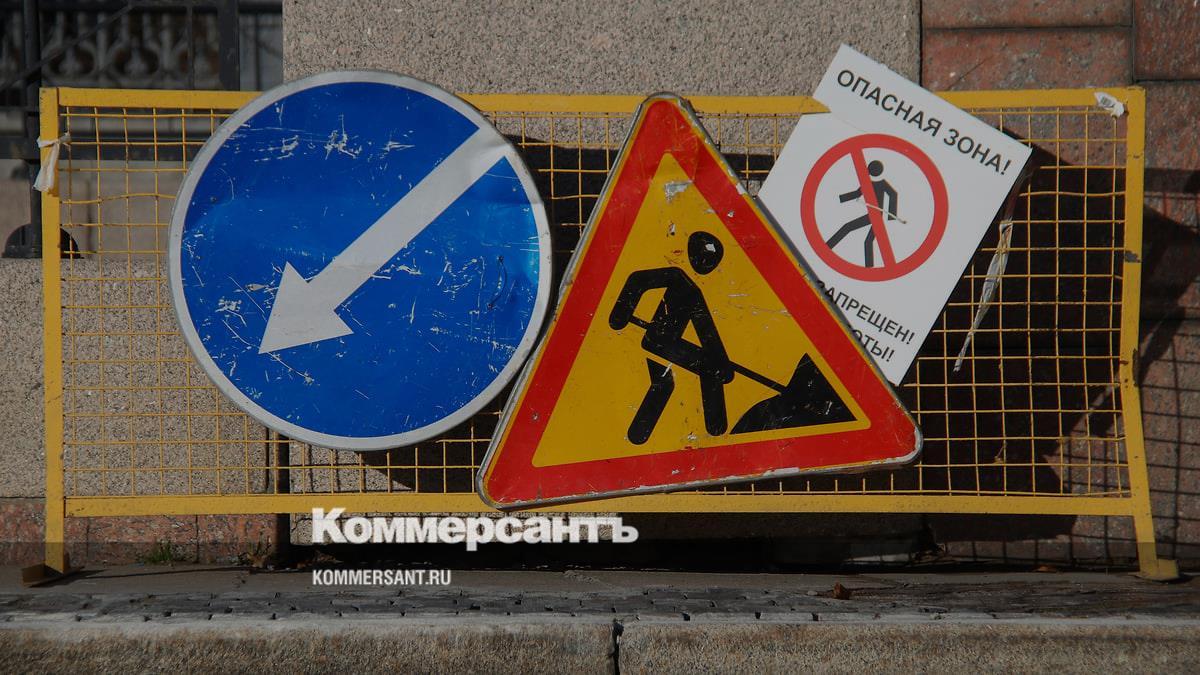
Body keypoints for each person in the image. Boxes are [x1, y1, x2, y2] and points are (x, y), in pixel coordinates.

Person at [608, 231, 733, 444]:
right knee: (677, 379)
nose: (707, 266)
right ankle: (714, 426)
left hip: (667, 343)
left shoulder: (693, 290)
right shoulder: (676, 277)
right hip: (659, 339)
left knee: (672, 381)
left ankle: (714, 427)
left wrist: (721, 361)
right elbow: (637, 281)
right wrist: (619, 315)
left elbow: (705, 329)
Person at [826, 159, 899, 267]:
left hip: (875, 216)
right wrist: (839, 198)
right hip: (874, 215)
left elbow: (893, 194)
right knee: (867, 241)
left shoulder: (881, 184)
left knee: (848, 228)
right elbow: (857, 194)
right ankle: (869, 267)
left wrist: (891, 216)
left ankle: (827, 247)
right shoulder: (868, 184)